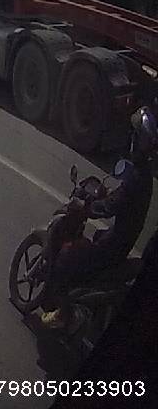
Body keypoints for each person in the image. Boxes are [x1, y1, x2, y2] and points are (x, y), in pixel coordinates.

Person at [39, 106, 156, 330]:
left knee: (66, 256)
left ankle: (63, 313)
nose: (130, 139)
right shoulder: (143, 175)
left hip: (112, 246)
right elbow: (121, 200)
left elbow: (110, 207)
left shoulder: (137, 179)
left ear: (138, 141)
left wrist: (86, 207)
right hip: (119, 241)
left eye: (133, 136)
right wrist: (105, 195)